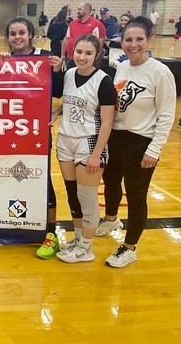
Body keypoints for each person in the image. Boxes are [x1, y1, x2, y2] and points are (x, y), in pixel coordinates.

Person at [96, 17, 176, 268]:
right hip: (116, 136)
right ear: (122, 42)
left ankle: (130, 247)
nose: (133, 44)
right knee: (110, 181)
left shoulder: (160, 72)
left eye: (139, 39)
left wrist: (155, 148)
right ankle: (111, 219)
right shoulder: (122, 67)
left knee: (136, 194)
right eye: (128, 39)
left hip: (141, 141)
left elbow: (167, 114)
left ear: (148, 41)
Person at [1, 17, 64, 259]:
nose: (17, 37)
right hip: (8, 132)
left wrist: (58, 71)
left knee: (41, 179)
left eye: (21, 33)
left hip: (36, 132)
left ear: (30, 35)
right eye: (13, 33)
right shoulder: (3, 61)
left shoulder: (45, 57)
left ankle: (51, 232)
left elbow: (60, 92)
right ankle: (15, 222)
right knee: (9, 177)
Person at [54, 35, 116, 263]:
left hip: (88, 142)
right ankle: (79, 239)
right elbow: (72, 103)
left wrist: (97, 154)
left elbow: (107, 121)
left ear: (97, 55)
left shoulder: (103, 81)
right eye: (79, 52)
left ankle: (86, 248)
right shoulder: (69, 74)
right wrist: (57, 112)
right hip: (65, 139)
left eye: (88, 53)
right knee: (72, 195)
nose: (82, 57)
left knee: (87, 198)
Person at [61, 2, 106, 67]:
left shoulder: (97, 24)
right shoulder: (73, 23)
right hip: (70, 58)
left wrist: (96, 55)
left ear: (86, 10)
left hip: (86, 59)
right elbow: (66, 39)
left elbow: (101, 40)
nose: (77, 11)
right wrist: (62, 54)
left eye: (79, 9)